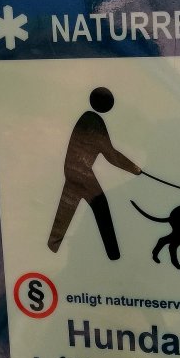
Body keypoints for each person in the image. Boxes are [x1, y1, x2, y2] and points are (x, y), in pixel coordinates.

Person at [47, 87, 142, 260]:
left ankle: (52, 246)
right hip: (81, 172)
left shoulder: (87, 118)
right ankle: (113, 255)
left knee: (67, 207)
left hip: (72, 169)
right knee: (101, 206)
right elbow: (110, 154)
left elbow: (108, 153)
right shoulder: (93, 121)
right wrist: (134, 169)